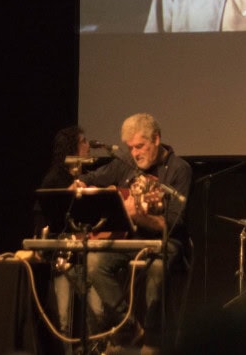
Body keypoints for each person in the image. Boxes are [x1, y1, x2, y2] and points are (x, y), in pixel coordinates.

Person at [75, 113, 192, 355]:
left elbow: (173, 222)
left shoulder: (179, 169)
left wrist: (137, 214)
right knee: (93, 262)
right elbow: (92, 177)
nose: (135, 153)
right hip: (132, 241)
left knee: (156, 268)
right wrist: (80, 184)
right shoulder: (126, 163)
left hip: (167, 242)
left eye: (140, 146)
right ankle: (128, 328)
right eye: (130, 148)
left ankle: (153, 340)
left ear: (156, 139)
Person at [36, 126, 93, 355]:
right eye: (83, 141)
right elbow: (46, 216)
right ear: (72, 147)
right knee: (62, 317)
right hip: (61, 256)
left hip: (83, 254)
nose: (88, 145)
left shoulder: (83, 177)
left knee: (93, 313)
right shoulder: (55, 178)